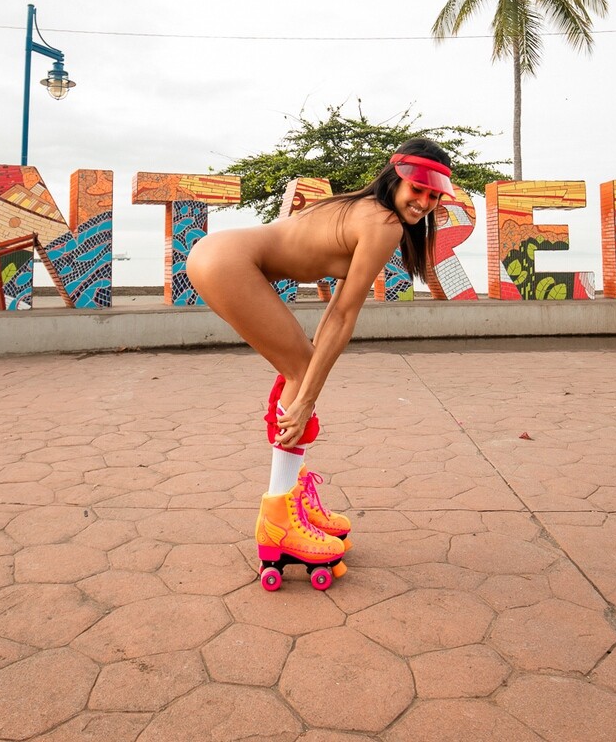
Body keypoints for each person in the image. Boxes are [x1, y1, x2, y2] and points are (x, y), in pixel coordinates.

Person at [186, 138, 454, 586]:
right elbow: (345, 314)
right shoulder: (384, 224)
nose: (424, 203)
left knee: (301, 369)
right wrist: (307, 396)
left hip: (218, 254)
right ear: (396, 179)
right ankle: (279, 522)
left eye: (433, 195)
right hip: (228, 262)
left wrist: (309, 385)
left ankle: (294, 499)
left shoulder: (362, 209)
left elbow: (334, 313)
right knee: (300, 373)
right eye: (417, 189)